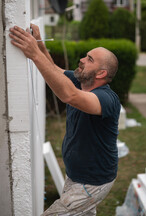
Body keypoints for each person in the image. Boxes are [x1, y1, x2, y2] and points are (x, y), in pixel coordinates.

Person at [9, 24, 121, 216]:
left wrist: (34, 54)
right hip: (77, 176)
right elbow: (53, 70)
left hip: (91, 182)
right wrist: (39, 46)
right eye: (86, 56)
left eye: (89, 59)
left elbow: (70, 96)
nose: (82, 60)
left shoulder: (107, 99)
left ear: (101, 73)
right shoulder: (81, 81)